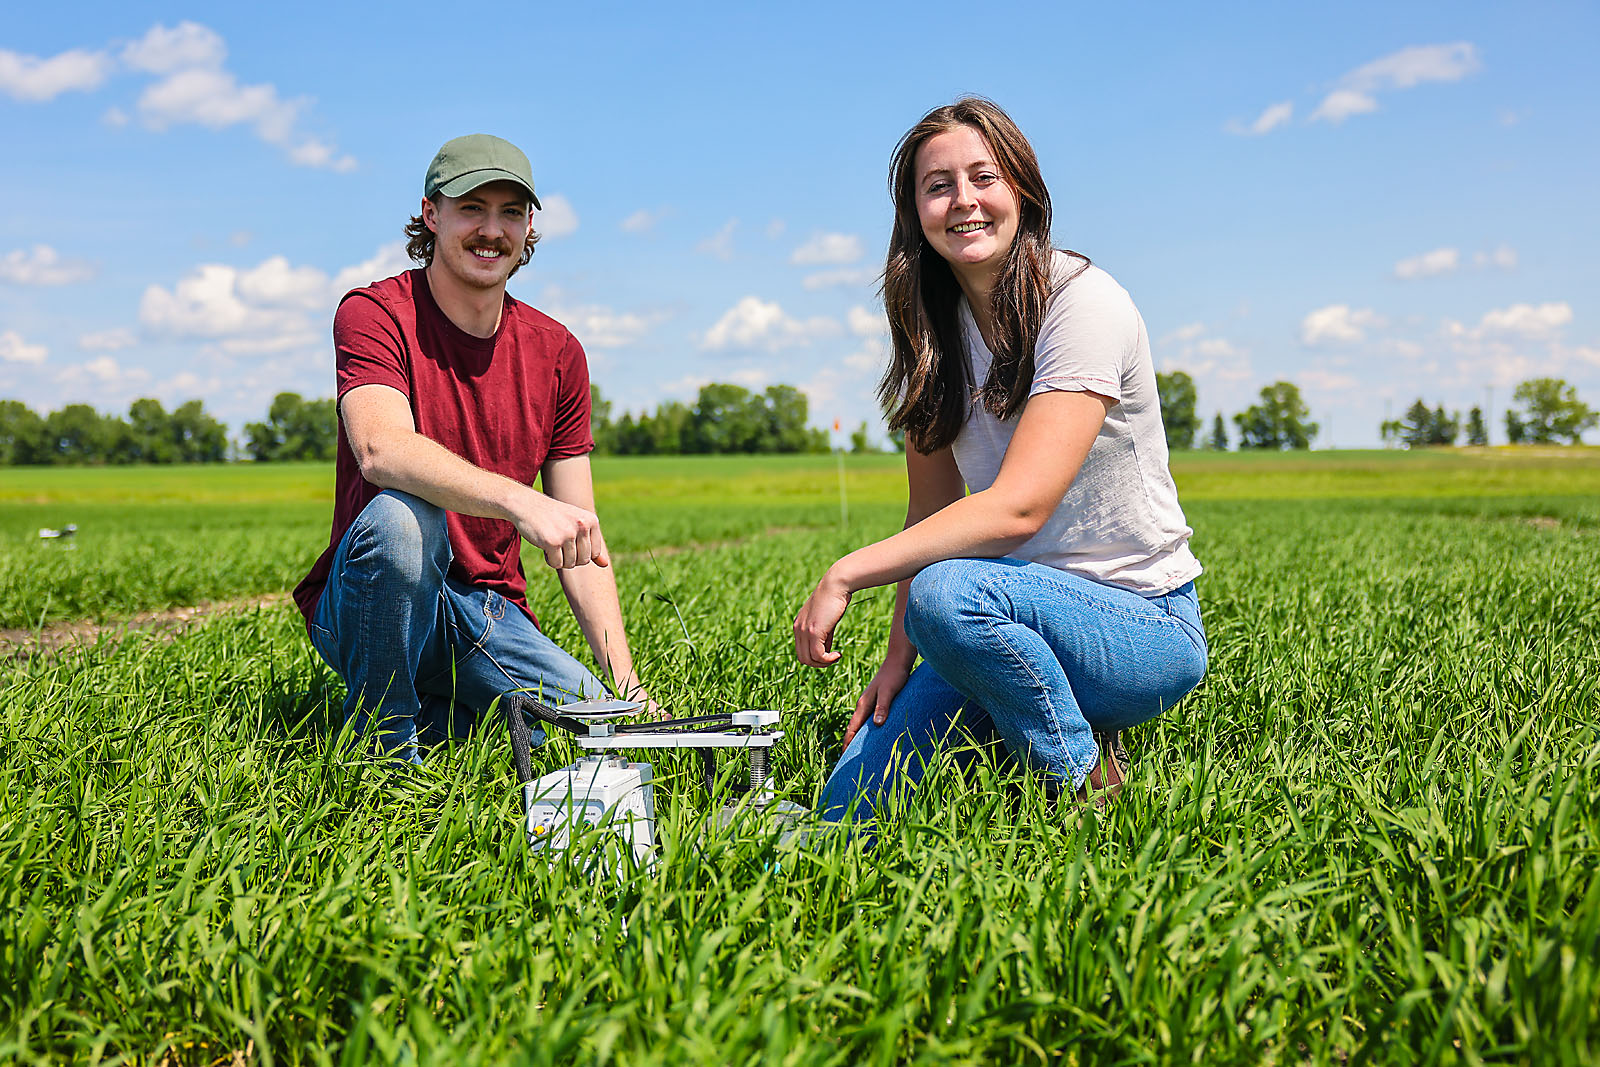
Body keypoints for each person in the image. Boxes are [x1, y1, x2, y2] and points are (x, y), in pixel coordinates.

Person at [793, 99, 1206, 819]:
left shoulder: (1083, 303)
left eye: (983, 177)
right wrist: (898, 660)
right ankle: (1032, 712)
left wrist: (846, 571)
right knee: (849, 806)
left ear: (1022, 189)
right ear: (914, 210)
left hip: (1142, 628)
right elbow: (929, 514)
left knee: (948, 595)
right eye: (937, 184)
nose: (963, 201)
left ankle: (1081, 781)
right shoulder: (932, 331)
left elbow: (1020, 507)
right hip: (995, 622)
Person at [293, 133, 653, 763]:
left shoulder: (557, 351)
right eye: (472, 208)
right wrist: (520, 503)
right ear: (431, 214)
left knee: (588, 739)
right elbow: (380, 449)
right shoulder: (375, 312)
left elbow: (580, 539)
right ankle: (386, 755)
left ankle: (442, 720)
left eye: (510, 212)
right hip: (371, 599)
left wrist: (623, 682)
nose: (492, 230)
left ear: (529, 225)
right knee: (404, 517)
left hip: (487, 612)